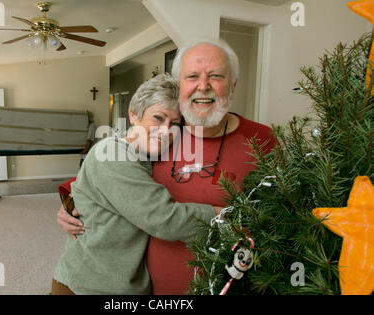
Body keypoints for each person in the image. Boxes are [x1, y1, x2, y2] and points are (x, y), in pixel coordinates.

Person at [57, 38, 276, 294]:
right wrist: (68, 204)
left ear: (233, 84)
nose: (203, 86)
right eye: (192, 76)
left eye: (216, 76)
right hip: (108, 287)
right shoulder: (145, 146)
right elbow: (108, 186)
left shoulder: (261, 140)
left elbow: (284, 211)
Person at [51, 74, 223, 295]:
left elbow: (81, 187)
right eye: (158, 118)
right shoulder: (113, 153)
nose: (165, 131)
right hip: (86, 286)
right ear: (133, 115)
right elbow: (163, 218)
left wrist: (69, 200)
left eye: (174, 124)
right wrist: (220, 216)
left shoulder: (149, 157)